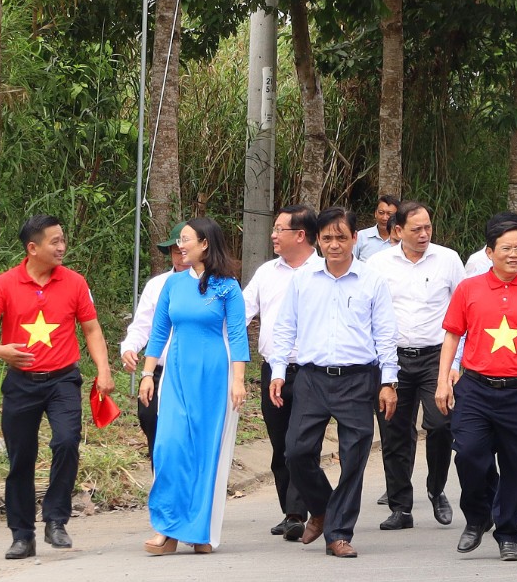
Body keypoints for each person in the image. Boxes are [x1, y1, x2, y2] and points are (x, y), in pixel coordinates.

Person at [0, 215, 115, 560]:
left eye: (63, 240)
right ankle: (22, 535)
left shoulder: (75, 283)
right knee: (21, 458)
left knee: (66, 442)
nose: (62, 247)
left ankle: (56, 520)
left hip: (63, 380)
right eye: (55, 242)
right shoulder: (5, 284)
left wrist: (104, 370)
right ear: (33, 248)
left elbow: (92, 330)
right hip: (21, 383)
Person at [269, 207, 399, 559]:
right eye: (327, 238)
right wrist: (278, 371)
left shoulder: (371, 280)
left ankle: (338, 533)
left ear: (355, 239)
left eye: (342, 237)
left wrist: (389, 382)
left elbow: (386, 334)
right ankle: (324, 509)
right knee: (296, 451)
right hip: (311, 378)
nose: (335, 244)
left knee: (353, 456)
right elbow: (285, 328)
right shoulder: (303, 279)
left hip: (358, 379)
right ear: (317, 241)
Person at [436, 217, 517, 561]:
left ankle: (508, 532)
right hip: (475, 389)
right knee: (468, 454)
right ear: (490, 252)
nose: (514, 254)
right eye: (506, 248)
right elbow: (452, 334)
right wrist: (442, 378)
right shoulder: (469, 288)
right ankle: (477, 517)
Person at [138, 217, 249, 555]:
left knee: (204, 452)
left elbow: (238, 335)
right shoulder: (172, 285)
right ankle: (167, 528)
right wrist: (147, 374)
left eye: (185, 240)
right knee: (169, 448)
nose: (180, 246)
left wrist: (239, 381)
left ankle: (198, 531)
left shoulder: (227, 287)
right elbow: (159, 333)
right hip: (176, 373)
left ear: (205, 244)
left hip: (213, 376)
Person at [368, 200, 463, 531]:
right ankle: (400, 506)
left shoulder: (448, 260)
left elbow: (464, 311)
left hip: (437, 357)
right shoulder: (377, 264)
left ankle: (436, 489)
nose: (424, 234)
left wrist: (458, 361)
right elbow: (370, 313)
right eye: (416, 229)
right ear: (397, 231)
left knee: (440, 425)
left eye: (428, 227)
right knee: (394, 431)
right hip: (392, 358)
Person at [242, 204, 322, 542]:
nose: (273, 235)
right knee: (279, 445)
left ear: (300, 235)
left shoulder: (324, 272)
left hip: (311, 372)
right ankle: (289, 510)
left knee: (301, 444)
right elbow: (241, 313)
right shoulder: (266, 273)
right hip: (272, 370)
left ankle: (297, 513)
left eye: (279, 230)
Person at [121, 221, 188, 467]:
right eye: (175, 251)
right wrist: (129, 347)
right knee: (150, 420)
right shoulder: (157, 285)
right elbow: (142, 326)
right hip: (158, 371)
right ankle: (162, 484)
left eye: (184, 250)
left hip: (191, 372)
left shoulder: (213, 285)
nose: (181, 257)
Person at [354, 194, 399, 261]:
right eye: (381, 213)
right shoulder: (361, 236)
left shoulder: (401, 240)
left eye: (389, 214)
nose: (384, 218)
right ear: (375, 213)